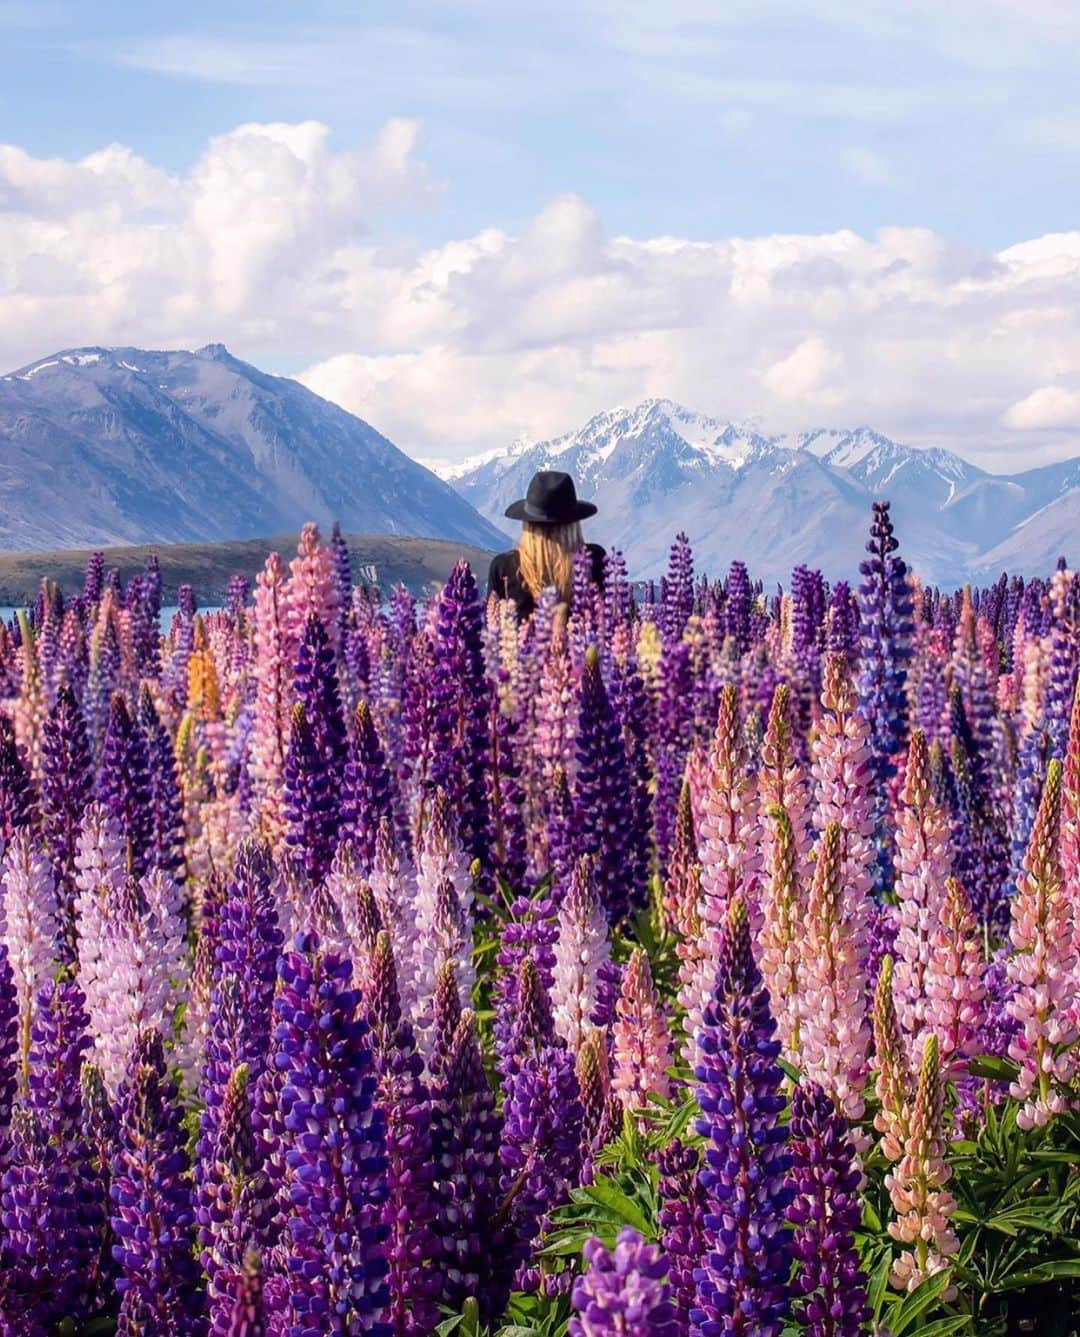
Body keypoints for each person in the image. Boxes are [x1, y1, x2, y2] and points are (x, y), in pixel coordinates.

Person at [487, 470, 605, 620]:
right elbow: (618, 620)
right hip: (585, 642)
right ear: (574, 523)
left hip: (517, 643)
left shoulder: (503, 567)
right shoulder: (593, 559)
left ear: (527, 524)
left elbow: (491, 631)